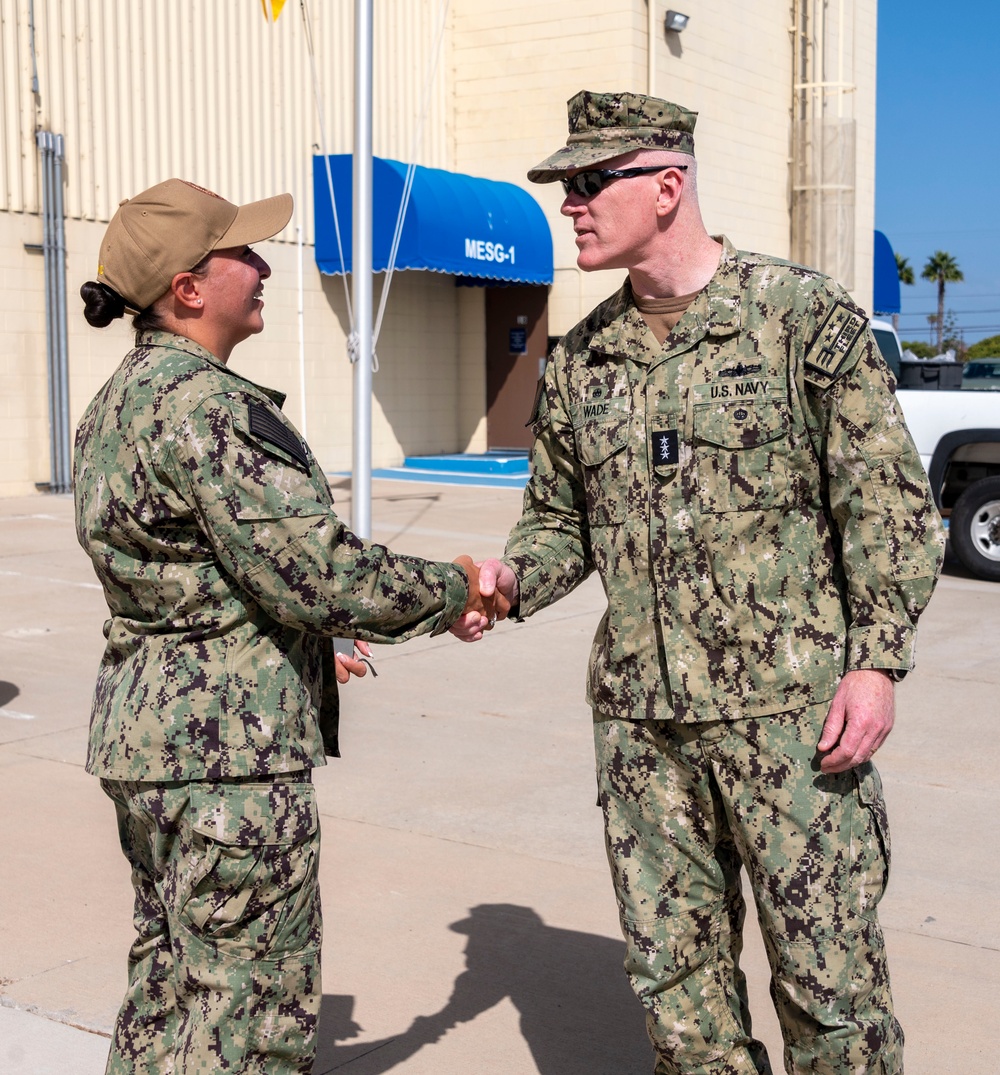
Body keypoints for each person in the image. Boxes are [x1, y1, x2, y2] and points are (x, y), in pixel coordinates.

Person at [462, 91, 945, 1074]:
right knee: (677, 995)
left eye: (591, 182)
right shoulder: (583, 361)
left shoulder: (796, 319)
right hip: (645, 731)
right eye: (566, 187)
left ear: (666, 185)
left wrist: (876, 664)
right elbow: (560, 525)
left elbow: (887, 509)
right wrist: (508, 582)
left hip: (790, 725)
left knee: (831, 990)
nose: (572, 205)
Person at [74, 178, 494, 1075]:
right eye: (243, 254)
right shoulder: (210, 407)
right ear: (188, 287)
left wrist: (300, 643)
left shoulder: (113, 404)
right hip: (228, 760)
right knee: (248, 1018)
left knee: (167, 992)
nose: (263, 267)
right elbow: (322, 571)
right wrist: (454, 586)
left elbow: (190, 576)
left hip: (149, 745)